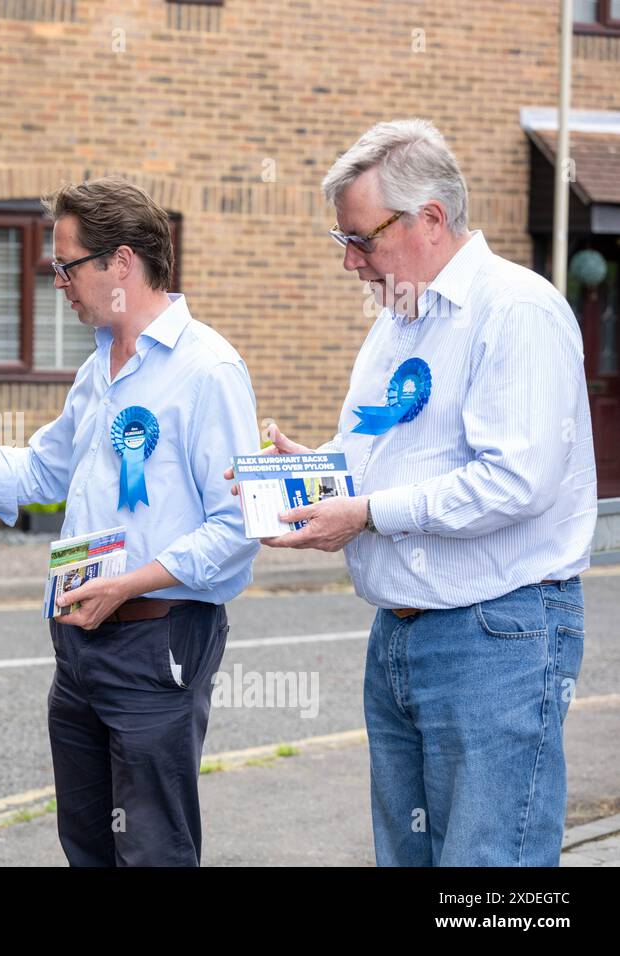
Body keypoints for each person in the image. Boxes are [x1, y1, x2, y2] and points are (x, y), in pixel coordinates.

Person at [0, 178, 260, 866]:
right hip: (80, 638)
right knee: (89, 845)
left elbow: (236, 529)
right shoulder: (98, 367)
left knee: (152, 850)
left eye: (66, 265)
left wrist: (127, 585)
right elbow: (40, 471)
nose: (58, 283)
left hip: (155, 640)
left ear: (120, 264)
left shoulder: (209, 371)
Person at [240, 120, 596, 865]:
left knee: (489, 873)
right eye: (343, 244)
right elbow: (391, 453)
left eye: (361, 241)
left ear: (430, 218)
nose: (352, 266)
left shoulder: (516, 310)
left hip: (496, 634)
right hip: (401, 635)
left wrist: (364, 511)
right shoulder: (397, 322)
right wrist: (321, 472)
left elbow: (515, 481)